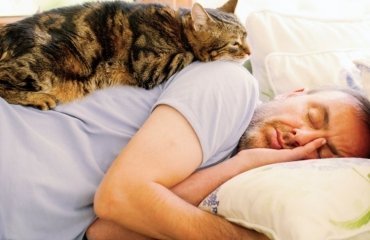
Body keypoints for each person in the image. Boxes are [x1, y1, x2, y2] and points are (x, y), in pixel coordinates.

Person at [0, 61, 369, 240]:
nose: (300, 137)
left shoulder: (229, 178)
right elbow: (121, 198)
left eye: (323, 151)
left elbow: (103, 230)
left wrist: (240, 166)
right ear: (294, 94)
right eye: (313, 115)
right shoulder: (232, 87)